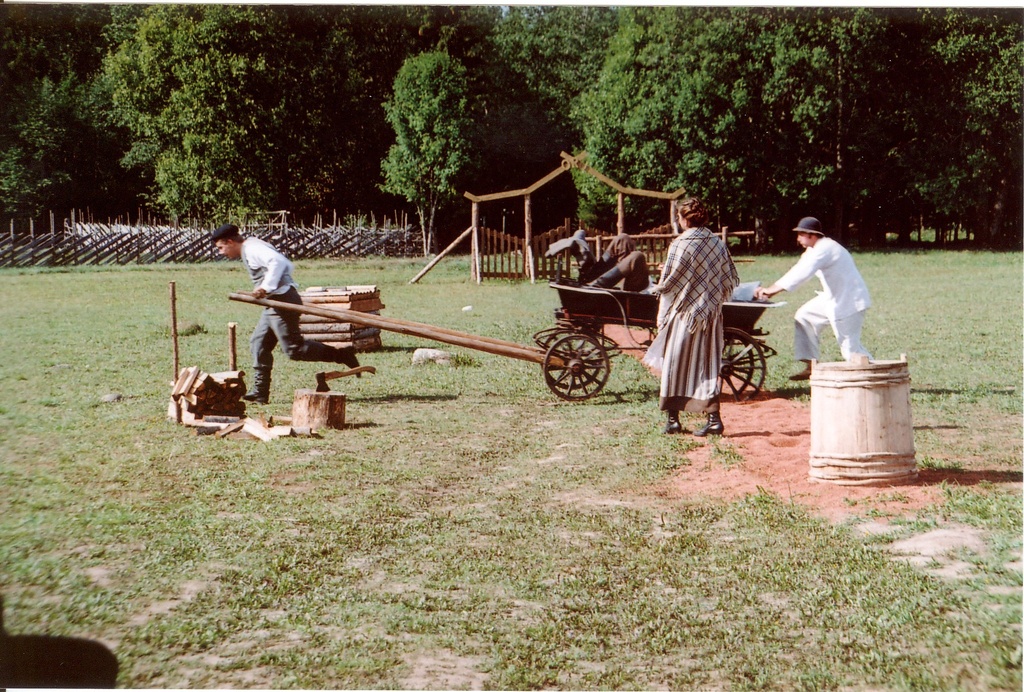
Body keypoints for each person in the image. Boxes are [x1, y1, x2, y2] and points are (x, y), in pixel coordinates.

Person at [212, 223, 359, 404]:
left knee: (293, 349)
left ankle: (341, 355)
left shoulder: (252, 248)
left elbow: (279, 262)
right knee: (259, 343)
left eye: (221, 247)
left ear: (230, 241)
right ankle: (260, 392)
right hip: (274, 302)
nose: (221, 252)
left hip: (283, 301)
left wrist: (266, 287)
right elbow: (286, 264)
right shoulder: (250, 247)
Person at [645, 198, 739, 436]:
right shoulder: (716, 243)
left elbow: (668, 287)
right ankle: (714, 419)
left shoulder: (680, 244)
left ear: (685, 218)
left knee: (674, 364)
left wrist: (662, 318)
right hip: (710, 315)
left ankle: (673, 420)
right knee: (708, 366)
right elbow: (728, 279)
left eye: (679, 217)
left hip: (683, 315)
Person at [753, 217, 871, 380]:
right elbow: (796, 269)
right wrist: (771, 289)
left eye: (801, 234)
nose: (798, 238)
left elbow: (802, 273)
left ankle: (878, 377)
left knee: (851, 350)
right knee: (804, 316)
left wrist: (771, 291)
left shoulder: (825, 248)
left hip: (850, 302)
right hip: (833, 299)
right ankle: (811, 365)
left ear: (812, 235)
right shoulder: (813, 250)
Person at [584, 233, 652, 292]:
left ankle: (596, 285)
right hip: (637, 282)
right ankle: (590, 278)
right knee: (623, 238)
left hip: (645, 290)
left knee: (637, 256)